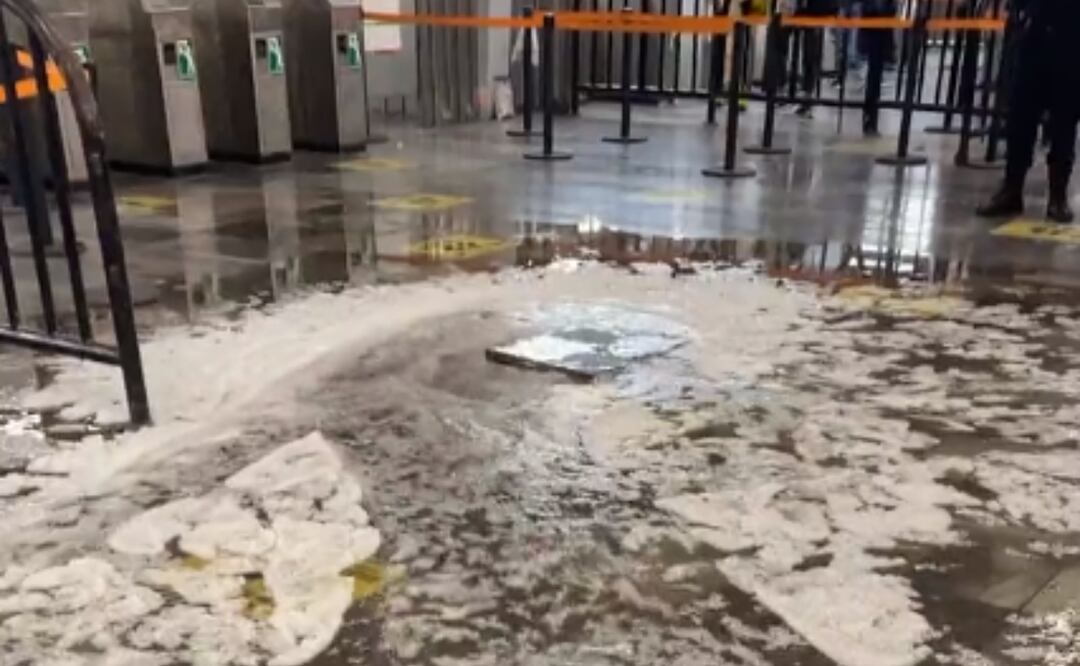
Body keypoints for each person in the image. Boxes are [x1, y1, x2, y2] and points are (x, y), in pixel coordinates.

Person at [977, 0, 1080, 223]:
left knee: (1064, 119)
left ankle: (1058, 196)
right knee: (1020, 116)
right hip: (1033, 33)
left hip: (1071, 35)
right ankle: (1012, 188)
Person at [858, 0, 896, 136]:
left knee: (874, 76)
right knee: (873, 76)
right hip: (875, 29)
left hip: (878, 28)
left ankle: (870, 119)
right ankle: (870, 120)